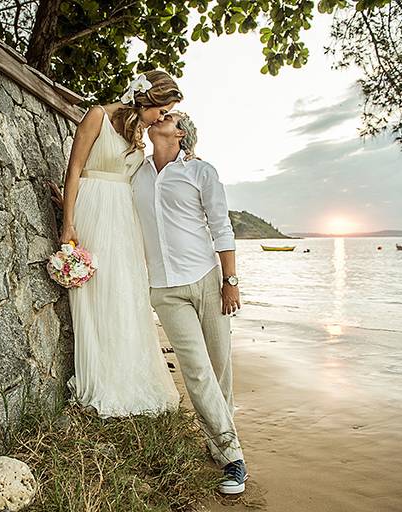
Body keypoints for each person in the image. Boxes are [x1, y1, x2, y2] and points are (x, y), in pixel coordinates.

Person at [132, 111, 248, 494]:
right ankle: (234, 457)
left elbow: (221, 227)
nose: (158, 117)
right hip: (165, 289)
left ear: (179, 133)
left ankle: (217, 440)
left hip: (206, 280)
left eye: (168, 116)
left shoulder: (201, 172)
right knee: (197, 371)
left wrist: (229, 281)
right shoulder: (137, 171)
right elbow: (109, 201)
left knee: (220, 368)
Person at [59, 70, 182, 418]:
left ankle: (127, 373)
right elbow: (75, 168)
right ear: (148, 99)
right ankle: (100, 376)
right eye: (162, 109)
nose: (162, 117)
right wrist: (68, 220)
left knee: (124, 293)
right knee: (97, 292)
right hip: (94, 210)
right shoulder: (97, 115)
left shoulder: (139, 134)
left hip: (124, 218)